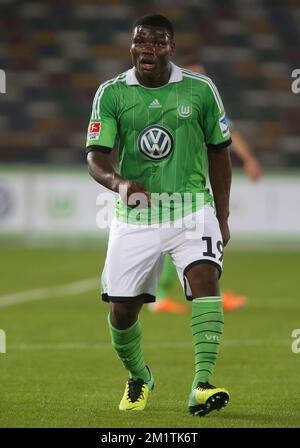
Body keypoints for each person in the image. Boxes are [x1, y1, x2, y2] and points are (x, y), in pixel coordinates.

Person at [86, 14, 232, 416]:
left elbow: (220, 153)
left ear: (171, 47)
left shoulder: (201, 90)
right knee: (121, 310)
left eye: (156, 42)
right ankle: (139, 377)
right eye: (139, 41)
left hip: (191, 208)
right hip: (135, 215)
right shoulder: (112, 94)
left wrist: (222, 215)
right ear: (132, 46)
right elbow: (95, 159)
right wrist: (119, 183)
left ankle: (202, 384)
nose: (146, 48)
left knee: (206, 277)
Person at [150, 61, 262, 314]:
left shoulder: (204, 104)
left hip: (197, 183)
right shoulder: (168, 106)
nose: (201, 79)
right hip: (177, 186)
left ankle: (169, 295)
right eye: (195, 74)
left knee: (199, 238)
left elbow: (230, 134)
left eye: (202, 75)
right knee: (192, 237)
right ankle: (168, 295)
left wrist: (249, 159)